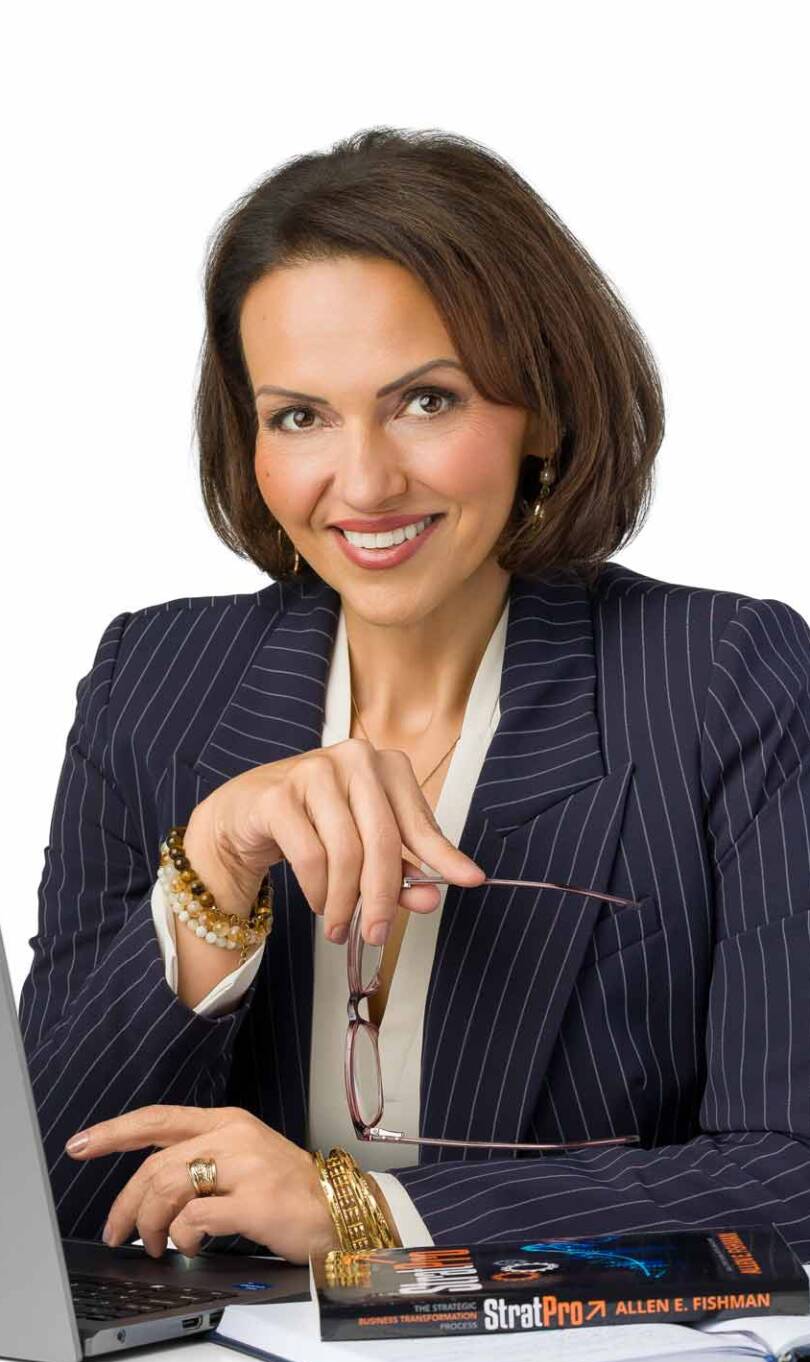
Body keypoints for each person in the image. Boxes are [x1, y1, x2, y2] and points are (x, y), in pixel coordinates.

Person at [20, 126, 810, 1267]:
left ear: (539, 406)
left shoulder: (725, 675)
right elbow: (47, 1203)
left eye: (426, 402)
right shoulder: (153, 683)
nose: (366, 481)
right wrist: (213, 877)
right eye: (300, 416)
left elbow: (791, 1174)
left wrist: (367, 1215)